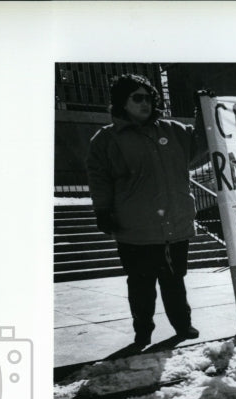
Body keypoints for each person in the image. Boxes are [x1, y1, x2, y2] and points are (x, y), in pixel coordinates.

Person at [86, 73, 200, 347]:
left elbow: (205, 142)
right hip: (135, 230)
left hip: (174, 228)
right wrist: (103, 211)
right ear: (122, 103)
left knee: (175, 282)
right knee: (141, 286)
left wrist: (204, 110)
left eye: (149, 98)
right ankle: (143, 332)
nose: (145, 103)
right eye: (137, 98)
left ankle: (183, 326)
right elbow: (98, 178)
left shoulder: (174, 131)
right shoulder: (106, 140)